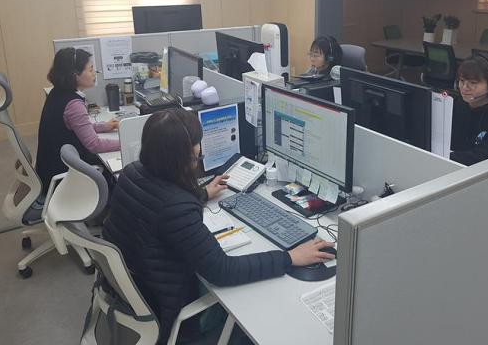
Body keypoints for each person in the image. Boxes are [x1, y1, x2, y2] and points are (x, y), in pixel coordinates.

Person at [103, 108, 335, 344]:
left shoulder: (132, 173)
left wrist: (202, 194)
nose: (199, 153)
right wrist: (289, 257)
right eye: (195, 153)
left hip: (137, 290)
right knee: (259, 310)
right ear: (181, 157)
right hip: (171, 310)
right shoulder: (177, 207)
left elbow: (157, 203)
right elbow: (222, 271)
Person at [35, 48, 119, 203]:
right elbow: (94, 144)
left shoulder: (57, 93)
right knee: (117, 171)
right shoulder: (73, 104)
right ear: (75, 75)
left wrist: (103, 126)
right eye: (91, 70)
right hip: (63, 177)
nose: (94, 74)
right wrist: (125, 142)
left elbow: (76, 127)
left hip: (49, 170)